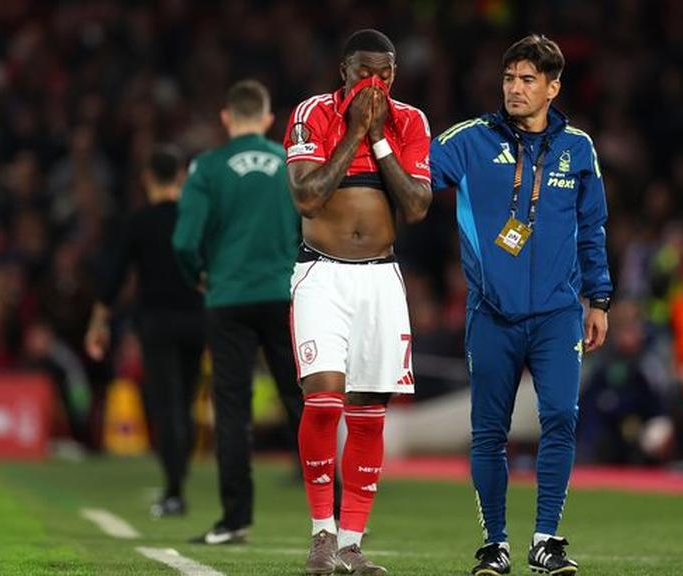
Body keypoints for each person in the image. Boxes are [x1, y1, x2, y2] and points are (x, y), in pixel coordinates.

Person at [429, 35, 613, 575]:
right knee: (489, 431)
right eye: (509, 77)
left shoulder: (578, 148)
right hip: (491, 312)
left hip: (558, 313)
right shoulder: (468, 140)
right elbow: (415, 179)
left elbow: (593, 227)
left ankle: (546, 539)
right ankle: (495, 543)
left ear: (553, 88)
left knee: (560, 417)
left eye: (528, 79)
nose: (515, 88)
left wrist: (599, 299)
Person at [283, 29, 431, 575]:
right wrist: (354, 134)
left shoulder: (410, 121)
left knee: (368, 415)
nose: (376, 83)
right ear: (343, 70)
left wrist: (380, 140)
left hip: (380, 280)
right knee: (323, 401)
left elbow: (416, 205)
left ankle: (351, 543)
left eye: (385, 73)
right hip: (321, 275)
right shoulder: (313, 114)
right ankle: (321, 533)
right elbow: (307, 195)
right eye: (366, 72)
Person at [172, 79, 303, 544]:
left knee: (231, 409)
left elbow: (184, 241)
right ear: (267, 119)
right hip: (285, 293)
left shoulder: (207, 167)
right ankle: (334, 518)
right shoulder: (291, 162)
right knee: (303, 403)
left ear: (226, 118)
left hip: (227, 298)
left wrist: (200, 276)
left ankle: (234, 520)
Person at [84, 146, 204, 517]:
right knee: (184, 403)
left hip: (157, 323)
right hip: (197, 320)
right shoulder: (196, 218)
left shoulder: (139, 222)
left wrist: (98, 321)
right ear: (181, 176)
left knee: (166, 406)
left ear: (147, 178)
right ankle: (179, 475)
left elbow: (115, 275)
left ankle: (174, 488)